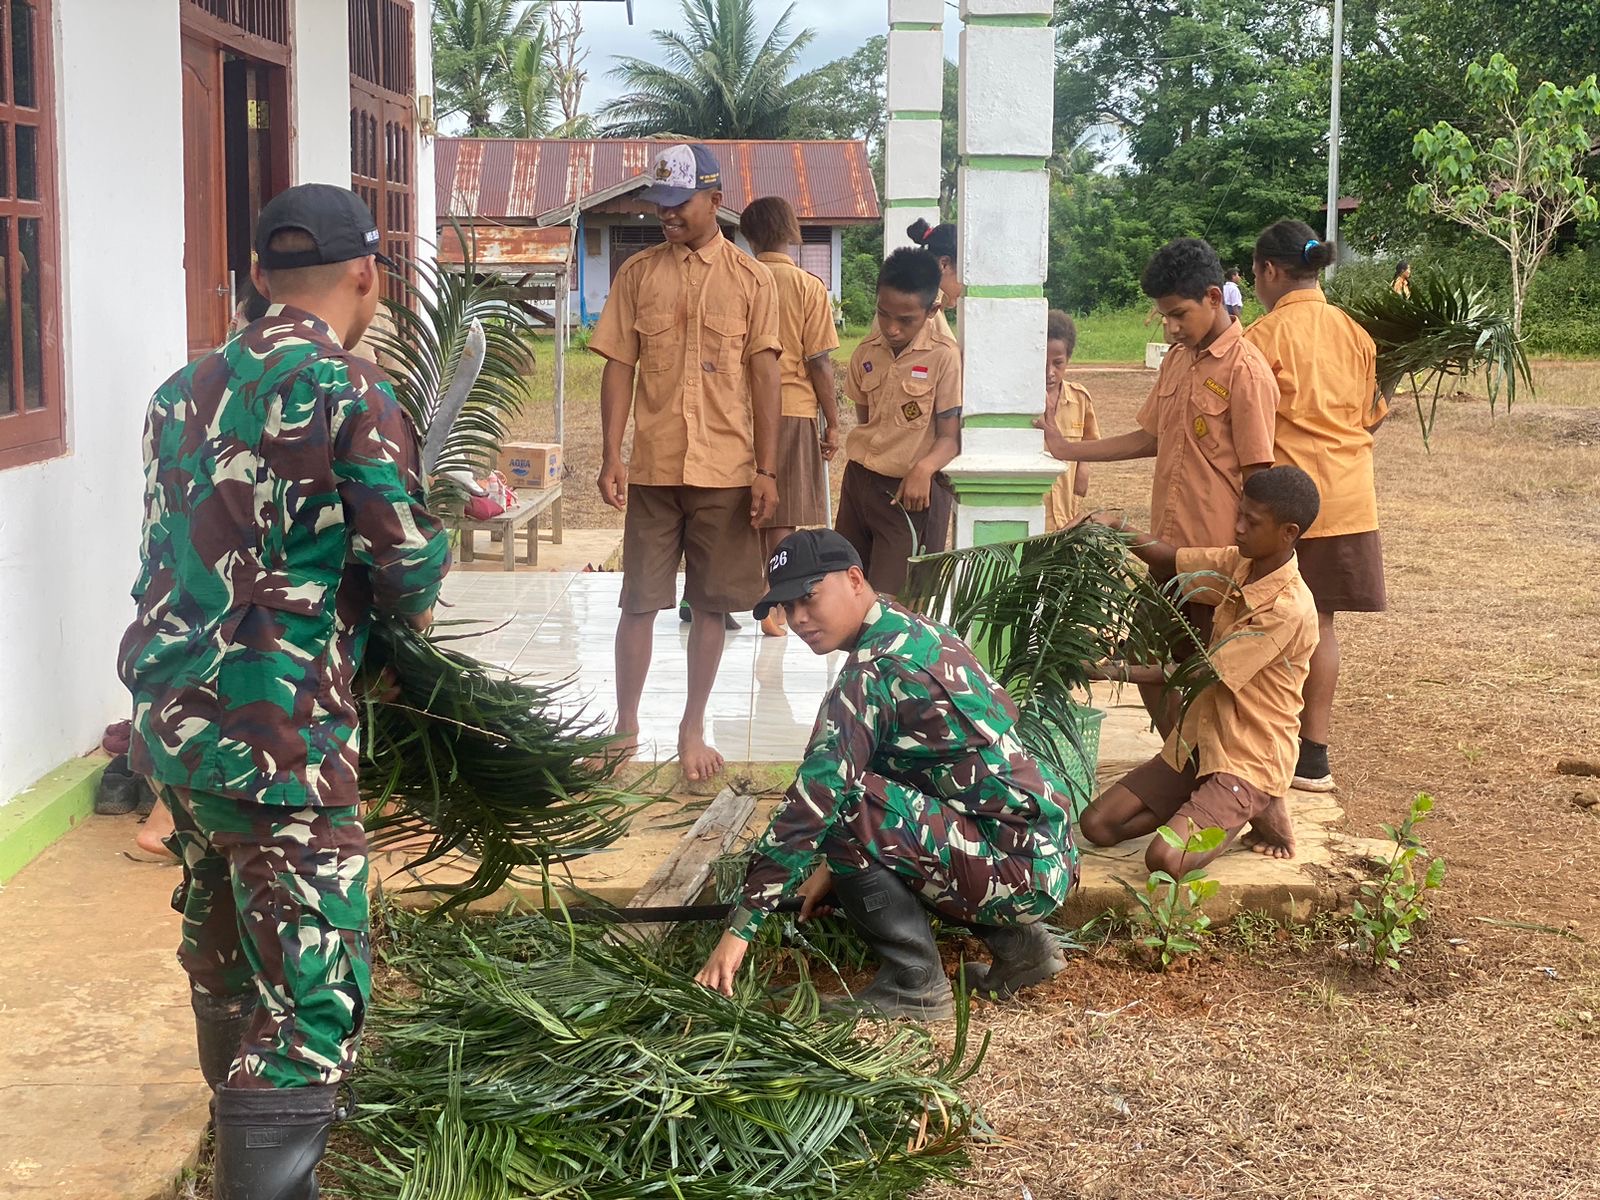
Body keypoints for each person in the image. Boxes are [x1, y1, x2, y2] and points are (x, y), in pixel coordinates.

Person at [117, 183, 451, 1197]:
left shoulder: (179, 391)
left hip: (176, 725)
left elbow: (168, 551)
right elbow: (403, 569)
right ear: (368, 275)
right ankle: (260, 1164)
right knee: (310, 1002)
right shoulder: (352, 391)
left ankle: (238, 1128)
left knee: (222, 935)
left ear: (257, 277)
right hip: (283, 736)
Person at [695, 529, 1078, 1017]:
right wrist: (833, 869)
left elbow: (813, 803)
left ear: (855, 579)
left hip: (1015, 868)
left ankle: (912, 984)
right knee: (873, 793)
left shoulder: (870, 673)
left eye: (809, 597)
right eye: (788, 608)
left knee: (844, 799)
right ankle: (1023, 948)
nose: (799, 619)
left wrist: (739, 929)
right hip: (1042, 853)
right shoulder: (915, 631)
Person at [590, 144, 783, 781]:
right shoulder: (638, 275)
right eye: (660, 206)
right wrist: (612, 453)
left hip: (726, 472)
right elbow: (620, 365)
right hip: (652, 468)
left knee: (711, 605)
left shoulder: (754, 282)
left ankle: (692, 724)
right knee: (638, 603)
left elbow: (765, 380)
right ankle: (625, 727)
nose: (667, 217)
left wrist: (768, 469)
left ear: (715, 201)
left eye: (679, 205)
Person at [1043, 238, 1277, 732]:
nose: (1170, 327)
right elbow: (1150, 435)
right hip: (1164, 553)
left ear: (1214, 298)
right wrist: (1067, 449)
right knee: (1148, 663)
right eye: (1163, 315)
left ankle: (1204, 774)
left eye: (1178, 314)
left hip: (1215, 562)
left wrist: (1253, 565)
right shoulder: (1177, 359)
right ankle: (1182, 765)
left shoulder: (1246, 371)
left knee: (1208, 681)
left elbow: (1261, 480)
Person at [1078, 466, 1322, 874]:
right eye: (1239, 514)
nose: (1238, 528)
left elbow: (1201, 673)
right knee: (1097, 825)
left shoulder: (1286, 607)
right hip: (1199, 741)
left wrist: (1112, 671)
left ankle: (1253, 803)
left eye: (1252, 521)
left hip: (1249, 754)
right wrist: (1114, 524)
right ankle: (1205, 800)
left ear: (1288, 532)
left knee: (1164, 859)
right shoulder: (1240, 564)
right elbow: (1172, 559)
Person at [132, 282, 276, 864]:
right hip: (235, 618)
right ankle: (165, 821)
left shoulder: (175, 393)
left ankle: (166, 816)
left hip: (170, 607)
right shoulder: (300, 388)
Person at [1244, 219, 1386, 792]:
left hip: (1288, 504)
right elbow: (1374, 413)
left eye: (1255, 274)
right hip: (1351, 497)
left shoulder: (1261, 338)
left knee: (1266, 618)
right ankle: (1314, 759)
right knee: (1320, 620)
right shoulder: (1355, 332)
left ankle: (1259, 745)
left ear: (1270, 271)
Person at [737, 196, 841, 639]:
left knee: (756, 512)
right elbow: (819, 361)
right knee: (783, 516)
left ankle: (760, 593)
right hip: (793, 409)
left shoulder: (739, 279)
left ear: (749, 235)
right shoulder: (807, 286)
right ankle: (775, 605)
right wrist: (833, 421)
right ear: (792, 231)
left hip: (740, 410)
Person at [835, 248, 962, 596]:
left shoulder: (944, 357)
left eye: (905, 320)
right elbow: (868, 419)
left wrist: (923, 469)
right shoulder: (866, 351)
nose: (891, 328)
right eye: (883, 313)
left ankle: (890, 654)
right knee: (849, 592)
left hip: (910, 493)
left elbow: (950, 437)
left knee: (895, 602)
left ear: (932, 310)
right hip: (860, 483)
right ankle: (858, 654)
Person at [903, 218, 963, 550]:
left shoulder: (924, 310)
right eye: (964, 268)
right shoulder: (931, 318)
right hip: (923, 467)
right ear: (944, 264)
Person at [1035, 309, 1100, 531]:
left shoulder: (1080, 399)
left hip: (1066, 513)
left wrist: (1084, 468)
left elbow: (1090, 441)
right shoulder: (1022, 407)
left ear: (1068, 360)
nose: (1049, 372)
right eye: (1042, 363)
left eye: (1058, 363)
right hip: (1035, 515)